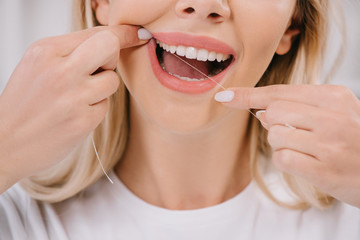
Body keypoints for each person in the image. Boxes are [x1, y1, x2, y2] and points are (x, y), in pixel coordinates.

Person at [1, 0, 360, 239]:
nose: (203, 4)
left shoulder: (347, 214)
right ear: (103, 2)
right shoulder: (17, 216)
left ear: (290, 24)